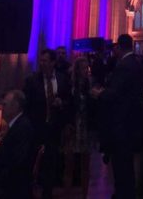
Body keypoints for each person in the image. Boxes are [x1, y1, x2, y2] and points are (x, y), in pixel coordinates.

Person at [97, 33, 143, 199]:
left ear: (119, 46)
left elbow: (117, 94)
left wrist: (100, 94)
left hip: (123, 124)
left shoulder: (124, 65)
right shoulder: (135, 63)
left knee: (122, 165)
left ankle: (123, 194)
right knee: (126, 165)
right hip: (132, 123)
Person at [24, 48, 71, 198]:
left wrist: (61, 103)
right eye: (41, 60)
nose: (42, 63)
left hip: (54, 128)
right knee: (31, 162)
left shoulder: (62, 79)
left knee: (51, 163)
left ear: (53, 62)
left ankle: (47, 193)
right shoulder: (32, 81)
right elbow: (27, 104)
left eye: (45, 60)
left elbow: (69, 100)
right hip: (37, 127)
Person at [0, 89, 36, 198]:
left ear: (16, 106)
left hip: (13, 188)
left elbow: (17, 164)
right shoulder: (15, 126)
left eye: (5, 105)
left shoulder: (23, 128)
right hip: (6, 182)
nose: (2, 108)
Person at [63, 57, 94, 197]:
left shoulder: (89, 85)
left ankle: (84, 195)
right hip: (72, 127)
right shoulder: (70, 86)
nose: (86, 71)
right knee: (69, 164)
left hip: (86, 127)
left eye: (87, 68)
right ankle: (68, 194)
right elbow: (67, 106)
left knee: (85, 165)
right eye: (83, 68)